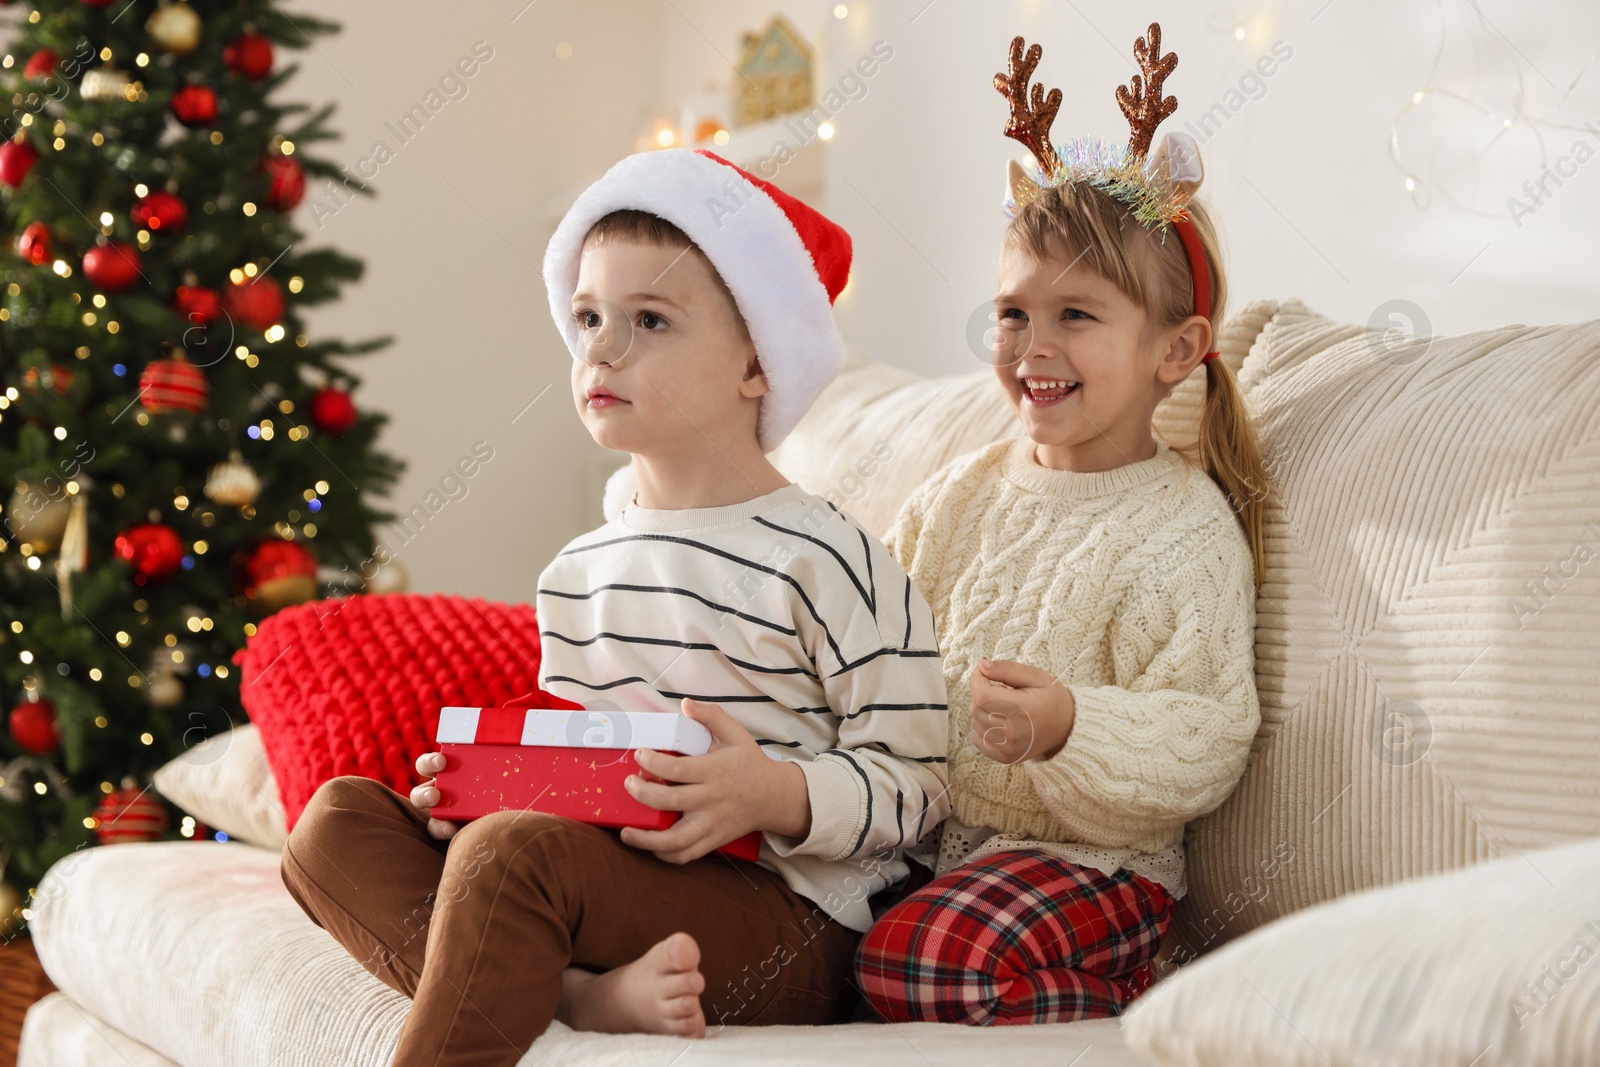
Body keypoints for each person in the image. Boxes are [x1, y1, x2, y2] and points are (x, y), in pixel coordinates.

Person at [279, 148, 951, 1064]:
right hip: (618, 883)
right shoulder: (579, 569)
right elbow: (581, 772)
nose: (600, 346)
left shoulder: (827, 555)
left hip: (792, 920)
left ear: (757, 362)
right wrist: (484, 789)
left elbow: (923, 787)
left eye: (649, 321)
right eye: (589, 316)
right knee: (334, 824)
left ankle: (535, 977)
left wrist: (774, 791)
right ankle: (572, 993)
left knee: (513, 858)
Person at [853, 28, 1267, 1025]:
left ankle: (1138, 995)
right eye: (1011, 312)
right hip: (936, 849)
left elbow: (1207, 734)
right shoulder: (954, 495)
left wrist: (1068, 724)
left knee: (921, 958)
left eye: (1076, 314)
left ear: (1178, 347)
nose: (1032, 346)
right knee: (792, 921)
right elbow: (872, 647)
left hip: (1096, 867)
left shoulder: (1181, 529)